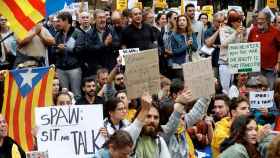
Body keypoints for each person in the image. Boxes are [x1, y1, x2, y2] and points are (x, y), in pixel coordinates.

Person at [248, 11, 280, 88]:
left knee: (269, 90)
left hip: (271, 69)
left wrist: (278, 63)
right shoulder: (253, 31)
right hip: (256, 68)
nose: (259, 21)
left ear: (268, 20)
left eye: (262, 19)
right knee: (255, 90)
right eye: (258, 18)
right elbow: (248, 47)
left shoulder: (276, 32)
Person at [54, 11, 82, 98]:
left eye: (59, 21)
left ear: (66, 21)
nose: (57, 23)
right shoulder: (58, 35)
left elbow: (80, 50)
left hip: (74, 68)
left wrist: (66, 48)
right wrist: (58, 50)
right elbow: (53, 49)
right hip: (61, 69)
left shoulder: (77, 33)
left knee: (76, 94)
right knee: (64, 93)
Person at [219, 10, 246, 94]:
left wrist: (243, 35)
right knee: (226, 88)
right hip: (225, 63)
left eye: (240, 21)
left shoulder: (240, 30)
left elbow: (241, 45)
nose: (239, 24)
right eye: (237, 22)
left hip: (235, 63)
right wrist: (235, 33)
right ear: (232, 22)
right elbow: (224, 43)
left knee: (234, 87)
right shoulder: (223, 29)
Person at [204, 12, 225, 78]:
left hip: (224, 62)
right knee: (214, 83)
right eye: (219, 22)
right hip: (213, 63)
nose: (221, 24)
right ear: (214, 21)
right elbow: (208, 44)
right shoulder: (208, 31)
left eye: (223, 21)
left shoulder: (226, 30)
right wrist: (218, 31)